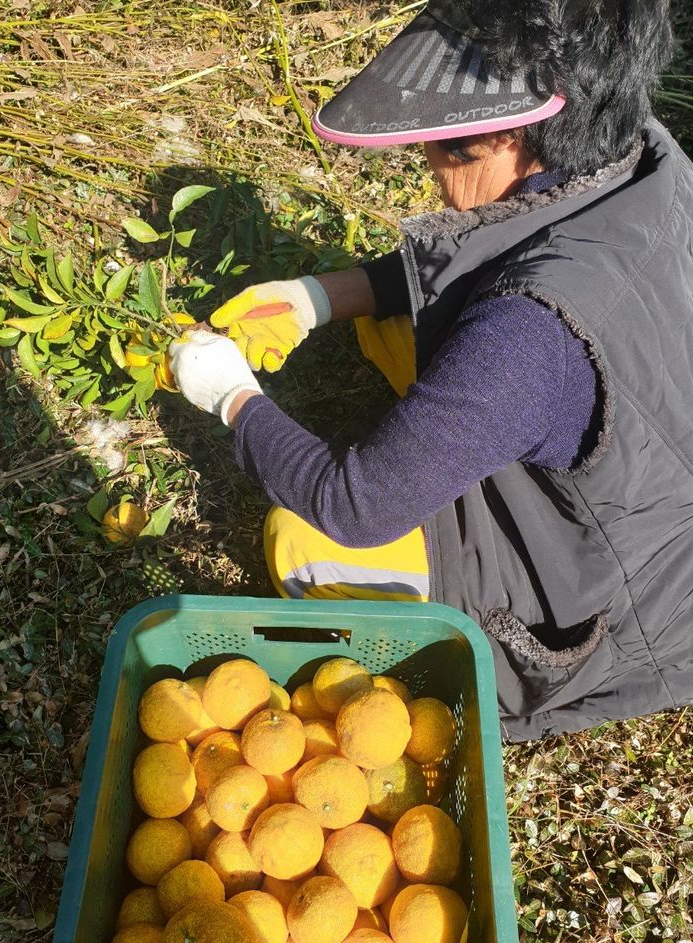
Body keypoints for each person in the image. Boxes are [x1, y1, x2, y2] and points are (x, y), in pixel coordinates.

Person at [168, 0, 693, 741]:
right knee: (401, 323)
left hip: (616, 598)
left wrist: (230, 396)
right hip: (651, 483)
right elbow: (487, 251)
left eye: (440, 146)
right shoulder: (641, 150)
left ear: (506, 136)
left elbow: (354, 505)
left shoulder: (528, 335)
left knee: (304, 541)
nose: (428, 163)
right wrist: (318, 298)